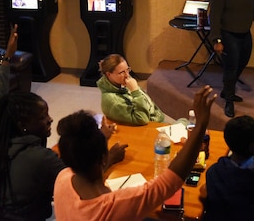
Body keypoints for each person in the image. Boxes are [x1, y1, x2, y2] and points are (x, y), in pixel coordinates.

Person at [0, 24, 126, 220]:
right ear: (23, 125)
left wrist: (7, 57)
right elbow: (81, 186)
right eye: (43, 117)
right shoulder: (41, 159)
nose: (50, 119)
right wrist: (107, 154)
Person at [53, 85, 216, 221]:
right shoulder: (114, 206)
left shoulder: (62, 178)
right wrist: (200, 125)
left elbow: (87, 171)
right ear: (102, 157)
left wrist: (108, 158)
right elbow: (170, 181)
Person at [96, 54, 165, 125]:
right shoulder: (112, 101)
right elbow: (142, 119)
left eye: (127, 69)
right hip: (149, 127)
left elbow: (148, 102)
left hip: (158, 120)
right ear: (108, 74)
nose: (127, 75)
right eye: (122, 72)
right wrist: (135, 91)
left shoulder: (122, 83)